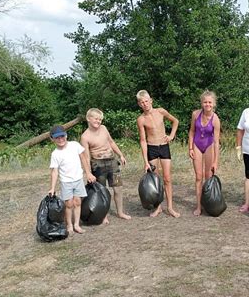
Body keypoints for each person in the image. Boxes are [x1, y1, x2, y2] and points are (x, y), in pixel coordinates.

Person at [80, 108, 131, 224]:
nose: (98, 121)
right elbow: (86, 157)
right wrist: (88, 173)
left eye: (100, 119)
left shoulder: (104, 129)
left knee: (118, 188)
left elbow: (111, 142)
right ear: (88, 119)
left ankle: (120, 212)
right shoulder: (85, 137)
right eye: (96, 119)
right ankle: (103, 215)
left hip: (112, 162)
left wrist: (121, 155)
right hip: (98, 165)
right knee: (102, 191)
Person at [136, 90, 180, 218]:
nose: (145, 104)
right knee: (156, 180)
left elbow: (175, 121)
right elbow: (143, 141)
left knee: (167, 178)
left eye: (146, 101)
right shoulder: (141, 119)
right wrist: (145, 162)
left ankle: (170, 207)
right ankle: (158, 207)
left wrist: (171, 135)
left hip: (164, 146)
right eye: (142, 102)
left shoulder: (160, 111)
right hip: (151, 148)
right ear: (139, 104)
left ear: (151, 100)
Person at [48, 125, 96, 234]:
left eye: (62, 136)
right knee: (69, 204)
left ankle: (77, 225)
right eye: (57, 138)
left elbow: (83, 158)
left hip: (78, 179)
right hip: (66, 182)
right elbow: (54, 172)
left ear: (66, 135)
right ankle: (69, 225)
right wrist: (52, 188)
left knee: (77, 202)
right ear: (53, 139)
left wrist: (88, 173)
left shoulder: (75, 145)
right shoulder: (55, 154)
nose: (60, 139)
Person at [188, 90, 221, 216]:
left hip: (209, 146)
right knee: (198, 177)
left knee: (208, 177)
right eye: (205, 102)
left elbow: (217, 142)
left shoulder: (215, 119)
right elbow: (191, 132)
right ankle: (198, 206)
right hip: (196, 145)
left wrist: (215, 161)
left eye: (210, 102)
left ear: (214, 104)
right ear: (202, 103)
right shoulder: (195, 114)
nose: (207, 104)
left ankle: (208, 204)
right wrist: (190, 148)